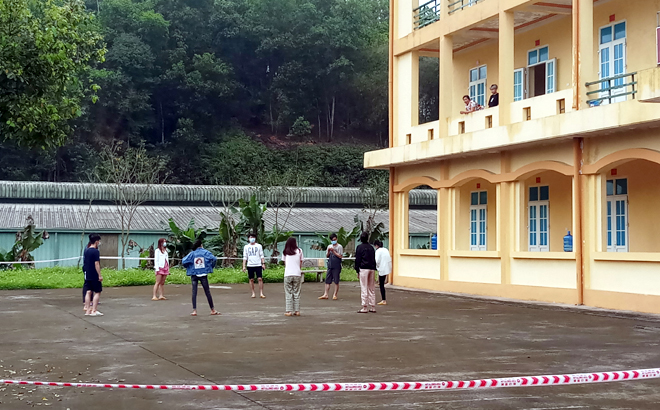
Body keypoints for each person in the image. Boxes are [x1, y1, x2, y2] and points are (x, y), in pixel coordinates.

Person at [182, 240, 220, 316]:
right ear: (201, 245)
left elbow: (184, 261)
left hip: (194, 274)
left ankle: (194, 310)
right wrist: (210, 266)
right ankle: (212, 309)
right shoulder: (206, 252)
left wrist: (188, 267)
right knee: (207, 292)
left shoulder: (192, 253)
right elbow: (214, 259)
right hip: (203, 274)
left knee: (194, 292)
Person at [354, 232, 377, 313]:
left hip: (363, 269)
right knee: (371, 287)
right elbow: (374, 259)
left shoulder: (359, 247)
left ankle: (364, 307)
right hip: (372, 268)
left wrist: (357, 270)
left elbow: (358, 260)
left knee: (364, 287)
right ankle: (373, 306)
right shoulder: (371, 248)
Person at [281, 237, 304, 317]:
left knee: (288, 293)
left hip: (287, 274)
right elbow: (301, 263)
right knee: (296, 293)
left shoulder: (285, 252)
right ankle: (297, 311)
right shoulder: (299, 251)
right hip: (297, 274)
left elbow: (285, 264)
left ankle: (289, 311)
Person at [83, 233, 103, 317]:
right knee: (97, 292)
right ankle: (94, 310)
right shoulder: (95, 251)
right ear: (96, 241)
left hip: (87, 274)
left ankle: (88, 310)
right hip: (94, 274)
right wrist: (99, 275)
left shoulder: (86, 250)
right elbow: (96, 264)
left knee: (88, 292)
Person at [319, 233, 343, 300]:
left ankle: (335, 294)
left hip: (337, 265)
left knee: (336, 281)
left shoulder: (339, 247)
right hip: (330, 265)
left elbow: (340, 256)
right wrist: (329, 251)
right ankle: (326, 294)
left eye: (335, 239)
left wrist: (334, 252)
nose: (333, 241)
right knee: (327, 280)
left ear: (336, 239)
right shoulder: (329, 246)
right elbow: (327, 256)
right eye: (332, 240)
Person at [242, 233, 266, 298]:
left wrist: (263, 264)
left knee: (260, 278)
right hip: (250, 265)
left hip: (258, 264)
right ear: (248, 239)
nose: (251, 238)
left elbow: (262, 255)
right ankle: (253, 293)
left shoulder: (259, 246)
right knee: (251, 279)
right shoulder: (246, 247)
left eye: (253, 237)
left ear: (255, 238)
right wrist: (243, 266)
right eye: (250, 237)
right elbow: (245, 257)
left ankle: (261, 293)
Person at [374, 240, 392, 306]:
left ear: (376, 245)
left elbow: (377, 260)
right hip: (387, 268)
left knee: (381, 285)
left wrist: (376, 267)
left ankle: (383, 300)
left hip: (382, 269)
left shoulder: (378, 251)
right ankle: (383, 299)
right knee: (382, 284)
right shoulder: (385, 250)